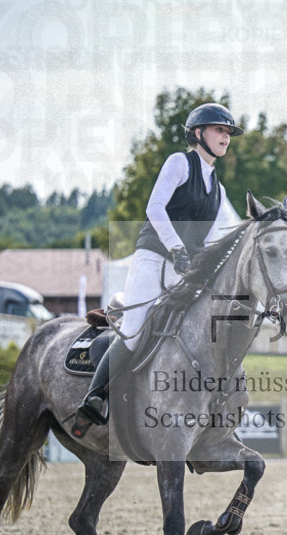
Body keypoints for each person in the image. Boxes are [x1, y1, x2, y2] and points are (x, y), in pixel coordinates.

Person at [70, 102, 244, 438]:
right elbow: (155, 206)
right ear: (198, 133)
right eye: (219, 130)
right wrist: (176, 247)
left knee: (196, 331)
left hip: (184, 271)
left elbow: (210, 239)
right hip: (153, 258)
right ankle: (94, 398)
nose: (225, 137)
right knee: (135, 329)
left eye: (228, 132)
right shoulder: (179, 163)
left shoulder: (218, 189)